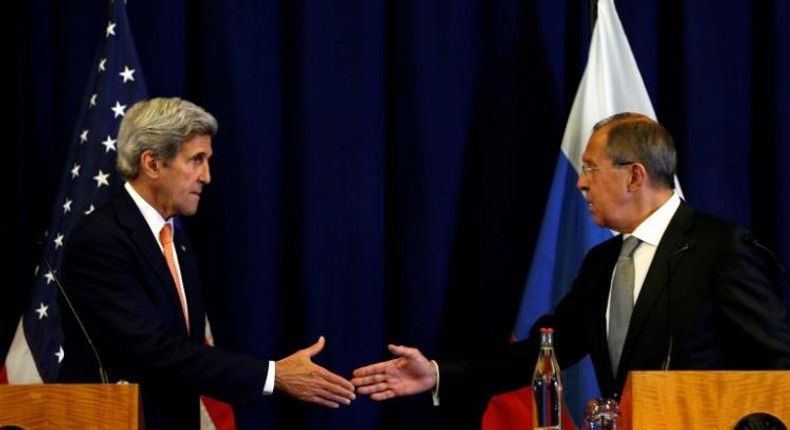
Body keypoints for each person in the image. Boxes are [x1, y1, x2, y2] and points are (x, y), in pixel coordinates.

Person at [351, 112, 790, 407]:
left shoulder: (722, 248)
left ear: (635, 175)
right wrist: (437, 373)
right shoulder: (602, 264)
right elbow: (544, 353)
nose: (581, 184)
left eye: (591, 168)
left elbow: (779, 367)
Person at [56, 97, 355, 429]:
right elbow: (151, 350)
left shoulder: (176, 241)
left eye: (207, 160)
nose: (207, 176)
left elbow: (185, 349)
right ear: (152, 164)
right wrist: (272, 375)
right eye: (196, 160)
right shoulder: (101, 240)